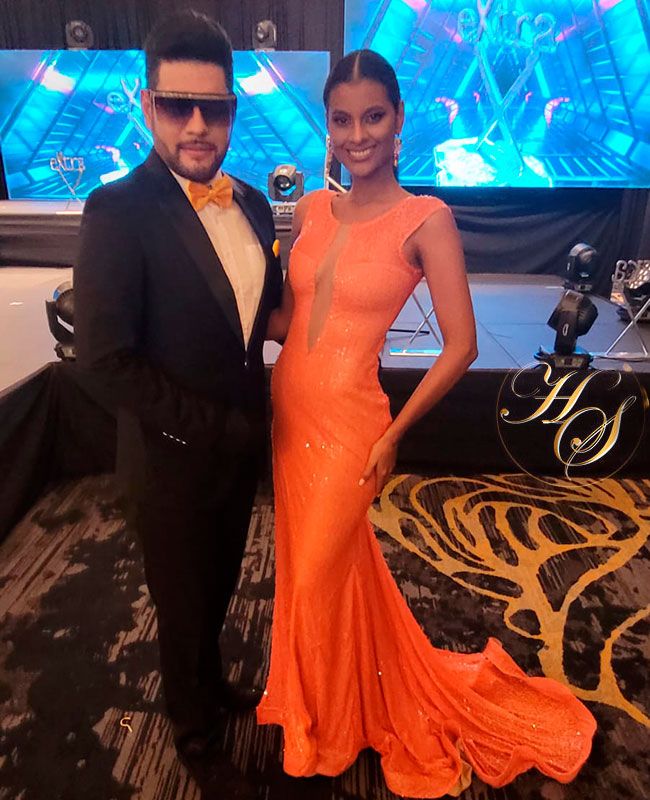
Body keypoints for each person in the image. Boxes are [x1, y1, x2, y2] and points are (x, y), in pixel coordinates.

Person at [257, 49, 596, 798]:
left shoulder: (426, 219)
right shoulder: (308, 209)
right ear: (328, 126)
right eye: (342, 120)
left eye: (373, 117)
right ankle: (337, 704)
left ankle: (327, 729)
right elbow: (284, 318)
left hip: (354, 427)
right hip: (291, 413)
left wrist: (393, 435)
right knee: (328, 572)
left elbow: (462, 344)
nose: (358, 135)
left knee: (312, 580)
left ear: (400, 119)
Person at [74, 10, 282, 798]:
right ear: (147, 104)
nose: (197, 125)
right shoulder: (116, 211)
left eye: (214, 108)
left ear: (232, 110)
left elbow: (257, 322)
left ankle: (211, 684)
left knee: (220, 586)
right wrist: (212, 429)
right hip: (169, 464)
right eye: (177, 105)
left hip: (238, 453)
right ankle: (193, 739)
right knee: (182, 605)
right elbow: (104, 360)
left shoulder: (253, 205)